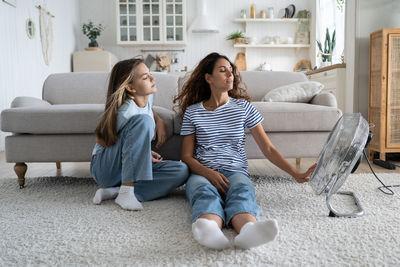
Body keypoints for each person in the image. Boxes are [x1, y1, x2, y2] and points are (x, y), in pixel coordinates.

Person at [174, 52, 316, 250]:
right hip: (202, 172)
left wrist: (294, 173)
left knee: (242, 191)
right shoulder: (193, 111)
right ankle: (210, 229)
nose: (229, 75)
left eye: (231, 71)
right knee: (203, 192)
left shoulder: (243, 107)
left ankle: (248, 230)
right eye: (222, 71)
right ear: (208, 78)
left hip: (235, 171)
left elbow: (267, 147)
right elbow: (186, 156)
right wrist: (209, 173)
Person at [90, 57, 189, 211]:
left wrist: (159, 121)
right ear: (131, 88)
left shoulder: (147, 98)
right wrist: (138, 150)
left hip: (126, 170)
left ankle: (116, 191)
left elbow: (147, 109)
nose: (152, 78)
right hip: (106, 170)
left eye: (149, 74)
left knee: (181, 170)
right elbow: (102, 140)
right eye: (145, 77)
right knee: (144, 121)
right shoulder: (125, 111)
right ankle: (126, 192)